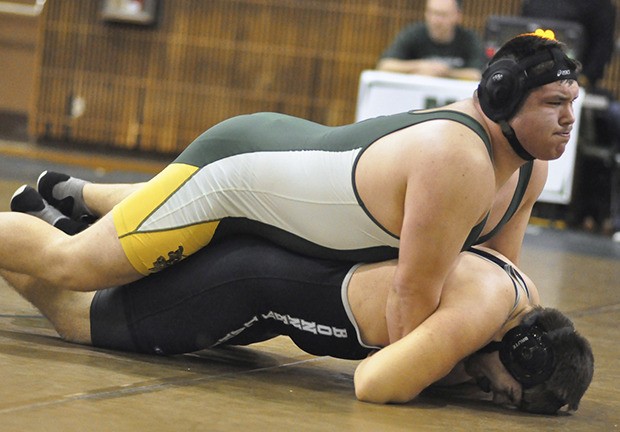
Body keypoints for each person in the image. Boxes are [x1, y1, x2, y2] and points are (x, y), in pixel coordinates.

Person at [3, 33, 580, 345]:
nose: (568, 119)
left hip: (275, 177)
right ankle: (80, 216)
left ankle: (86, 196)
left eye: (571, 104)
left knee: (152, 221)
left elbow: (495, 278)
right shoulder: (459, 159)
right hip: (233, 171)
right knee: (75, 266)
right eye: (554, 104)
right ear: (502, 99)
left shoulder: (529, 169)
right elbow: (412, 307)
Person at [1, 231, 593, 414]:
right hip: (247, 289)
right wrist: (447, 368)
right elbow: (376, 384)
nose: (483, 391)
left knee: (94, 278)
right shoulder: (486, 308)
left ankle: (46, 221)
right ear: (524, 350)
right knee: (79, 314)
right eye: (497, 387)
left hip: (274, 286)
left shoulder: (523, 294)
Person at [376, 0, 486, 80]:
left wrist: (446, 73)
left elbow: (477, 75)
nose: (436, 20)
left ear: (457, 16)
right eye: (432, 13)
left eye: (442, 15)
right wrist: (419, 66)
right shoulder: (413, 33)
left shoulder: (469, 39)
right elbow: (385, 65)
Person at [521, 0, 615, 90]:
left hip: (573, 79)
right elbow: (522, 27)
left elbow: (602, 46)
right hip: (530, 75)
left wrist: (585, 79)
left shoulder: (599, 4)